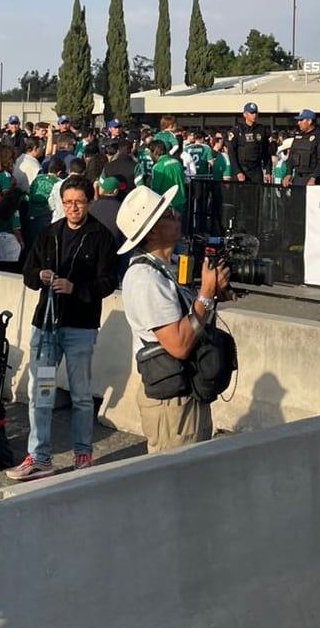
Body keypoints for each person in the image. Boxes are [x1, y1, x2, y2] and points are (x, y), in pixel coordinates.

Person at [7, 177, 118, 480]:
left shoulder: (101, 237)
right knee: (41, 393)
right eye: (67, 202)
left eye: (78, 202)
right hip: (46, 326)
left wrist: (76, 287)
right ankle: (40, 457)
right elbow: (27, 271)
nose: (72, 208)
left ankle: (83, 451)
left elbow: (108, 282)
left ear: (89, 202)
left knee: (81, 395)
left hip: (80, 327)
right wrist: (38, 276)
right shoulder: (49, 234)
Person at [118, 185, 233, 452]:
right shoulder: (145, 279)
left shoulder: (163, 270)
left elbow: (190, 319)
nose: (177, 216)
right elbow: (179, 344)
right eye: (168, 214)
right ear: (153, 231)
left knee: (194, 481)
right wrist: (205, 293)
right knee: (177, 485)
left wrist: (214, 295)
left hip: (185, 395)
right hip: (173, 405)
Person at [227, 103, 271, 184]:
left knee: (256, 195)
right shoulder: (237, 130)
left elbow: (266, 152)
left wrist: (268, 171)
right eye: (251, 113)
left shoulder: (261, 130)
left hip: (256, 170)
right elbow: (231, 152)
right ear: (245, 114)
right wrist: (237, 171)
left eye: (255, 113)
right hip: (241, 170)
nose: (254, 115)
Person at [283, 110, 320, 187]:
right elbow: (291, 157)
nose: (299, 123)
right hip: (297, 178)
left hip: (312, 179)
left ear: (309, 121)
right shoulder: (298, 137)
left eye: (301, 120)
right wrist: (288, 173)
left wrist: (314, 177)